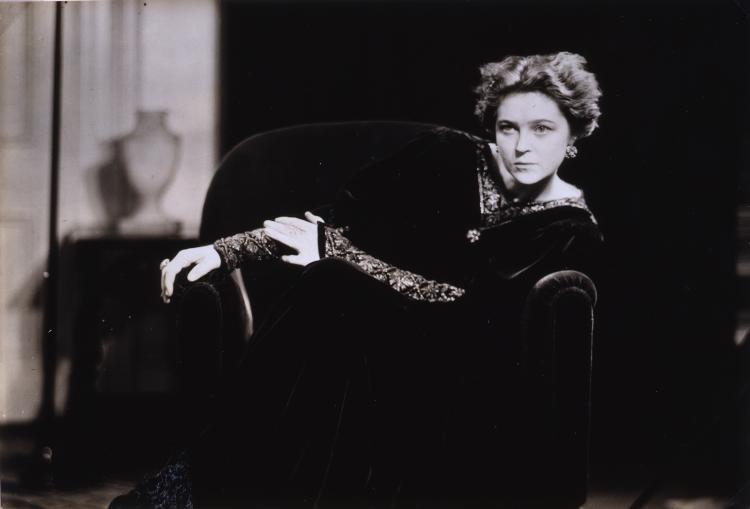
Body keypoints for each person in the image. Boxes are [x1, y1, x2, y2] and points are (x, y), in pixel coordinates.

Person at [111, 51, 604, 508]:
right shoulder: (448, 155)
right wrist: (223, 251)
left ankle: (208, 491)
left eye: (541, 129)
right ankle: (217, 486)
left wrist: (339, 256)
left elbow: (470, 310)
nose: (521, 146)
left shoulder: (570, 230)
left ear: (573, 135)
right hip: (373, 342)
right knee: (329, 288)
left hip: (462, 379)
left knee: (332, 282)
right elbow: (335, 222)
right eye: (508, 128)